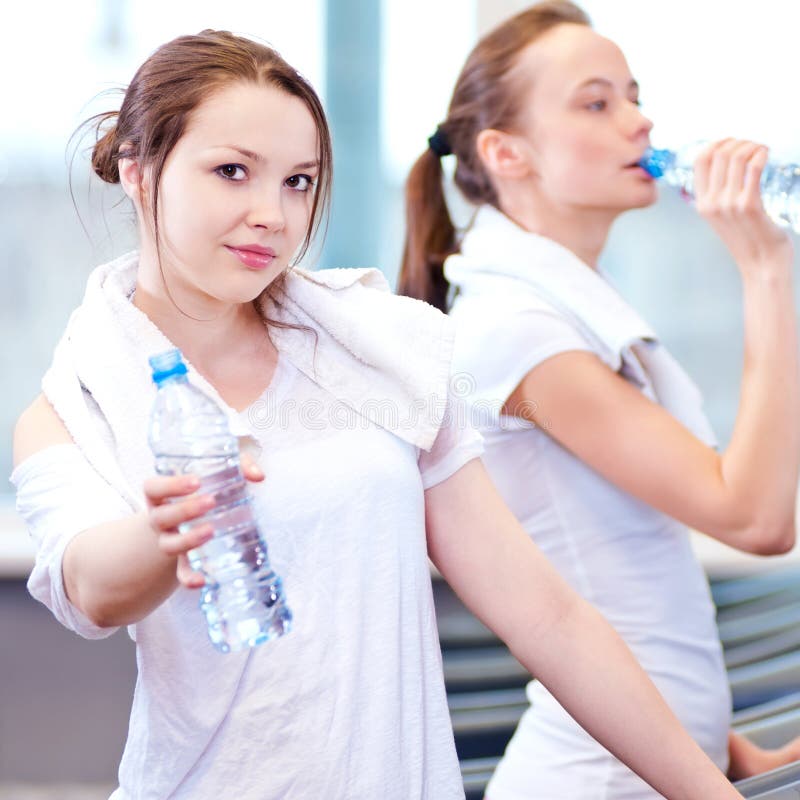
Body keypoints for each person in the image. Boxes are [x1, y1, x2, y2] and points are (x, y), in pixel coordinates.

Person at [12, 29, 748, 800]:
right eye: (232, 172)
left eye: (299, 182)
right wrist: (165, 533)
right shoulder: (73, 406)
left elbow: (548, 617)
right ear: (138, 171)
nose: (272, 214)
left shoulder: (380, 351)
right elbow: (89, 587)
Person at [398, 2, 800, 798]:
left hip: (654, 764)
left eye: (634, 96)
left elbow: (620, 574)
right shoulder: (519, 330)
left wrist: (723, 749)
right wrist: (764, 270)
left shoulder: (555, 304)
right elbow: (756, 518)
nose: (639, 121)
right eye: (596, 103)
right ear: (505, 152)